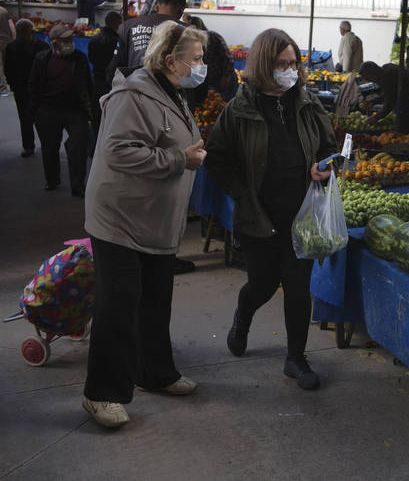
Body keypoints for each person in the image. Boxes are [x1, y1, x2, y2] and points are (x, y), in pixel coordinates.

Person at [82, 21, 208, 428]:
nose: (200, 65)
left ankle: (155, 373)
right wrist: (178, 161)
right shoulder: (132, 94)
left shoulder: (171, 91)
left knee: (156, 301)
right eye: (197, 58)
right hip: (120, 218)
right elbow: (118, 150)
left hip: (154, 219)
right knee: (118, 305)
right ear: (171, 60)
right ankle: (101, 394)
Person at [204, 29, 337, 391]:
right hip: (259, 215)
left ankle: (295, 358)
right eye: (281, 64)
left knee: (298, 287)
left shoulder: (308, 105)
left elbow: (329, 148)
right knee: (261, 284)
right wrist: (242, 193)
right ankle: (243, 315)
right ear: (264, 64)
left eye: (294, 63)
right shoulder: (239, 110)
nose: (289, 70)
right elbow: (216, 158)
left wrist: (323, 167)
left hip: (302, 214)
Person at [28, 24, 92, 196]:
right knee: (49, 147)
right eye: (65, 40)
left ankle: (77, 185)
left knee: (79, 147)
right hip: (48, 110)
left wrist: (89, 110)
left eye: (70, 39)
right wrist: (34, 113)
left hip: (75, 110)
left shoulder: (79, 58)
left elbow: (87, 84)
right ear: (54, 43)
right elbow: (33, 86)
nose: (69, 43)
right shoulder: (42, 59)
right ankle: (52, 179)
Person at [107, 0, 186, 81]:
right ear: (181, 11)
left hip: (135, 89)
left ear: (156, 5)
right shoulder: (188, 31)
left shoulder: (128, 26)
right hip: (170, 93)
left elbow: (113, 70)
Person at [4, 19, 49, 157]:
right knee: (25, 118)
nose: (22, 34)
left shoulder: (42, 46)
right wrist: (13, 85)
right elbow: (8, 68)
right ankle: (28, 146)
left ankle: (47, 144)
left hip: (39, 88)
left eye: (24, 31)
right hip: (21, 88)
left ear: (32, 32)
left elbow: (48, 68)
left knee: (42, 117)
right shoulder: (11, 47)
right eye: (20, 32)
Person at [358, 60, 409, 134]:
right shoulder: (385, 70)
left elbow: (390, 101)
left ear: (372, 72)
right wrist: (373, 101)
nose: (368, 81)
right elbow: (390, 93)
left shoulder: (387, 75)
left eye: (367, 77)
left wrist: (376, 117)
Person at [88, 11, 122, 136]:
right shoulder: (117, 41)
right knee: (110, 116)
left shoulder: (94, 39)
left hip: (96, 80)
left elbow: (91, 58)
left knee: (97, 116)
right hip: (111, 83)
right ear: (117, 24)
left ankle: (94, 147)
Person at [0, 4, 15, 97]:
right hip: (6, 41)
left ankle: (2, 88)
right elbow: (11, 26)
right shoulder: (3, 10)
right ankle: (13, 85)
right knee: (9, 63)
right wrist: (14, 39)